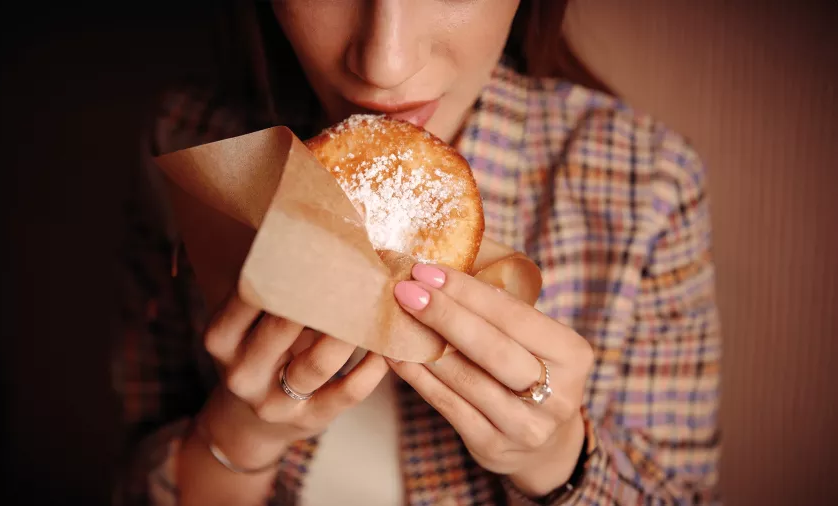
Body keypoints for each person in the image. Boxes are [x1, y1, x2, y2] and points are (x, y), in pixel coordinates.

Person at [113, 1, 722, 504]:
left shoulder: (647, 184)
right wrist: (239, 435)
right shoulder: (195, 149)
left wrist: (559, 461)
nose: (384, 64)